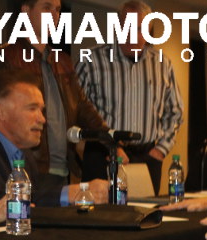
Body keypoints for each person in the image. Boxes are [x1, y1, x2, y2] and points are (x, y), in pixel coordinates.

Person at [0, 0, 108, 190]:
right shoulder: (5, 57)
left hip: (63, 168)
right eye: (47, 8)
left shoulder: (63, 60)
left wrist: (111, 140)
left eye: (57, 10)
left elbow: (83, 107)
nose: (55, 15)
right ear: (26, 11)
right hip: (25, 166)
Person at [75, 0, 184, 191]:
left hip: (146, 156)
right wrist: (111, 146)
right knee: (99, 208)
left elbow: (175, 112)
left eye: (139, 28)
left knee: (144, 209)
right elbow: (76, 108)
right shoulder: (91, 60)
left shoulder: (162, 64)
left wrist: (160, 150)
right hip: (102, 153)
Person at [0, 70, 108, 207]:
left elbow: (33, 196)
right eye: (32, 108)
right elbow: (0, 203)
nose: (42, 119)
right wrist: (74, 192)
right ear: (0, 112)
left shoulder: (23, 150)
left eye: (41, 110)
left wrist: (76, 191)